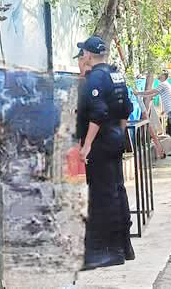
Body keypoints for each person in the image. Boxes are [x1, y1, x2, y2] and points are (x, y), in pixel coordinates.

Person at [76, 36, 133, 271]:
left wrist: (87, 144)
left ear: (88, 55)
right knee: (117, 190)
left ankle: (107, 252)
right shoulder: (115, 75)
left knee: (102, 195)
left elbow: (97, 113)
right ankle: (124, 245)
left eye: (83, 54)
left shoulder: (96, 78)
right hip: (114, 138)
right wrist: (119, 135)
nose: (82, 57)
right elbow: (125, 109)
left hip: (101, 142)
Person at [142, 72, 171, 156]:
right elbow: (155, 93)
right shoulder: (165, 85)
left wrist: (139, 93)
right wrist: (149, 97)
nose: (158, 76)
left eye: (160, 74)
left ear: (164, 76)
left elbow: (153, 91)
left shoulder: (163, 84)